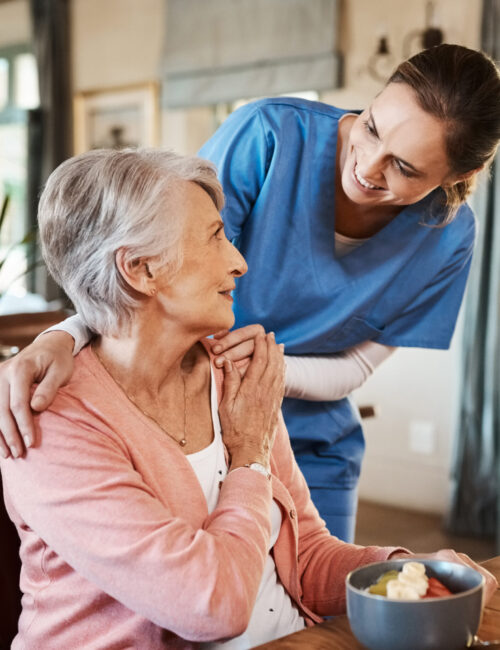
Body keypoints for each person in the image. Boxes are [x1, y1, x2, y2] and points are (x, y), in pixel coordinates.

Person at [0, 148, 496, 649]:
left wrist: (406, 570)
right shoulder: (49, 420)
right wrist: (250, 457)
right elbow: (213, 606)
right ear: (141, 270)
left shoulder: (235, 377)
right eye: (216, 237)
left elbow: (306, 558)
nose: (239, 262)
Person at [1, 44, 500, 543]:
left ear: (458, 177)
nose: (368, 168)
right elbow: (147, 263)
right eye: (370, 127)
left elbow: (357, 368)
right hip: (189, 422)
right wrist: (62, 337)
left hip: (311, 441)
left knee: (319, 604)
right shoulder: (269, 136)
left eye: (405, 168)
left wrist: (267, 375)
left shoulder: (448, 238)